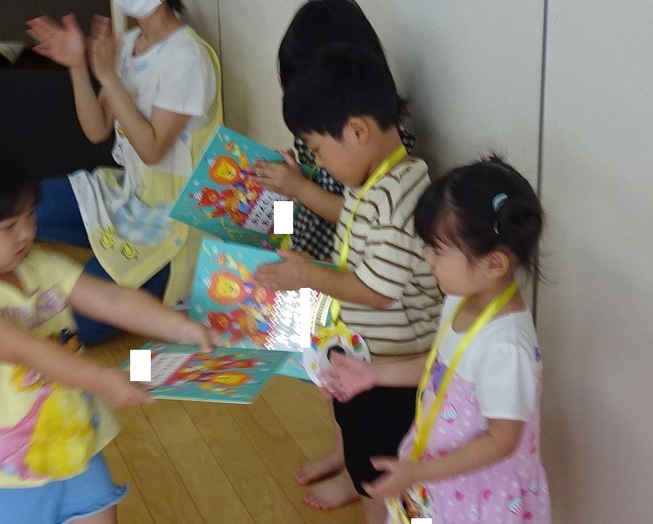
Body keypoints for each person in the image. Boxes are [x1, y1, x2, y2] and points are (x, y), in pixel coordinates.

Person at [253, 44, 442, 523]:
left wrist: (306, 275)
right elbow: (352, 221)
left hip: (393, 373)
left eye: (318, 150)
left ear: (357, 130)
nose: (318, 162)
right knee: (364, 461)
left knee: (382, 475)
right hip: (365, 358)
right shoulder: (375, 182)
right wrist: (299, 192)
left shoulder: (401, 197)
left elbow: (378, 291)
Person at [323, 157, 551, 523]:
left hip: (481, 495)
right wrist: (374, 374)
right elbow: (440, 367)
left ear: (494, 263)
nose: (427, 259)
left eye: (437, 250)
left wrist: (417, 472)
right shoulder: (461, 299)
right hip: (441, 475)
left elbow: (502, 441)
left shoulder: (506, 348)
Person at [0, 147, 220, 524]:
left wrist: (181, 326)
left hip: (78, 442)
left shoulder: (39, 264)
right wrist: (102, 380)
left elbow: (110, 299)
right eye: (8, 226)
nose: (27, 232)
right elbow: (28, 350)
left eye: (31, 216)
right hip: (12, 477)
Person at [25, 0, 222, 345]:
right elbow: (96, 129)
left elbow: (152, 149)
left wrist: (108, 76)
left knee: (80, 317)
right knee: (26, 205)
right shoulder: (128, 43)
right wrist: (77, 66)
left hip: (172, 222)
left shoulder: (188, 57)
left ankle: (157, 300)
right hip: (126, 193)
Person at [253, 0, 415, 262]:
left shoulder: (381, 152)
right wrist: (282, 196)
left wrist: (300, 188)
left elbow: (359, 216)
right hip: (300, 252)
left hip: (331, 266)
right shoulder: (317, 136)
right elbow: (294, 215)